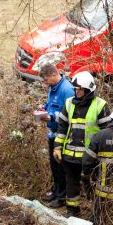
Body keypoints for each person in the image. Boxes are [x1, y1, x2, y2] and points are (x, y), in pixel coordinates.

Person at [53, 71, 111, 217]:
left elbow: (107, 132)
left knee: (92, 184)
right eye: (75, 89)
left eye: (79, 89)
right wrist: (57, 146)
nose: (76, 92)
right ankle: (72, 210)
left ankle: (96, 212)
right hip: (70, 155)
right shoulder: (69, 103)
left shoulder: (100, 106)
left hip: (90, 157)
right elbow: (62, 127)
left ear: (88, 90)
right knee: (71, 183)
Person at [36, 63, 74, 209]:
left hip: (63, 136)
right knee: (54, 165)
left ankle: (61, 197)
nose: (44, 83)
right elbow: (52, 104)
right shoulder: (53, 87)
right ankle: (56, 191)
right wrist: (44, 109)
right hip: (52, 134)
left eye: (45, 80)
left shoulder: (67, 90)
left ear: (53, 75)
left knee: (61, 167)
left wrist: (51, 117)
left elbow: (69, 116)